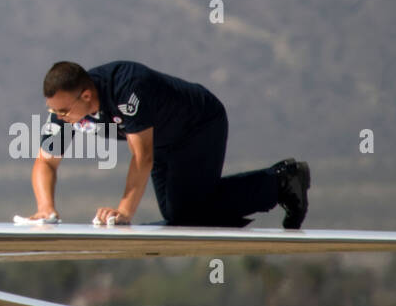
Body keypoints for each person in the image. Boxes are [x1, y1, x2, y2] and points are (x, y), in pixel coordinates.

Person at [29, 60, 310, 228]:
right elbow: (46, 162)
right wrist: (46, 208)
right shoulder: (64, 111)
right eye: (54, 111)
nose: (58, 117)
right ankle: (279, 183)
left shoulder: (127, 89)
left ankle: (281, 182)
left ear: (87, 97)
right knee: (181, 215)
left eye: (63, 111)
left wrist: (124, 212)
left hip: (199, 126)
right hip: (162, 139)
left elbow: (141, 156)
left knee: (186, 213)